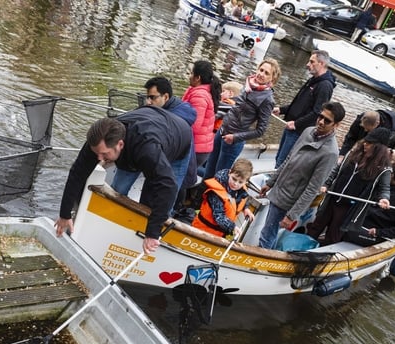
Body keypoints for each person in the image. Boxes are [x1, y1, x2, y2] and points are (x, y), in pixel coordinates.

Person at [55, 108, 192, 254]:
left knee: (153, 201)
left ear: (120, 144)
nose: (100, 159)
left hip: (178, 137)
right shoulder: (97, 141)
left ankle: (152, 241)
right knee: (118, 189)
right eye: (97, 153)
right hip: (144, 135)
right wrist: (65, 214)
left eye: (104, 154)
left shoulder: (146, 148)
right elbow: (77, 174)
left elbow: (167, 186)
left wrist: (152, 232)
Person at [257, 101, 346, 250]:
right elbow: (288, 159)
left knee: (268, 233)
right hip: (279, 188)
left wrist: (293, 215)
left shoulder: (330, 152)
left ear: (336, 125)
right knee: (269, 230)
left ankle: (260, 261)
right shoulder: (307, 131)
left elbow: (313, 189)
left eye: (327, 121)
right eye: (320, 117)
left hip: (289, 198)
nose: (321, 122)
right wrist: (271, 182)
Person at [111, 77, 196, 200]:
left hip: (171, 156)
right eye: (148, 97)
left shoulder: (179, 119)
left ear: (165, 97)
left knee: (155, 198)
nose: (148, 102)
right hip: (146, 149)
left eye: (152, 97)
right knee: (118, 188)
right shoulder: (150, 111)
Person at [306, 127, 392, 246]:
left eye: (369, 143)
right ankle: (305, 245)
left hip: (348, 207)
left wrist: (384, 198)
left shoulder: (384, 168)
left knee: (334, 234)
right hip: (333, 198)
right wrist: (326, 184)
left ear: (378, 148)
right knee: (316, 225)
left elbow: (385, 188)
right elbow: (336, 170)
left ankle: (323, 253)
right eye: (365, 141)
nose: (365, 144)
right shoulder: (353, 154)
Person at [203, 58, 279, 179]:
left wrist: (235, 137)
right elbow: (236, 106)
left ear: (272, 79)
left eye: (266, 73)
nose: (261, 74)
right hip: (222, 131)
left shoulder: (267, 100)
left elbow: (261, 130)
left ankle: (211, 197)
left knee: (218, 177)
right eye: (261, 70)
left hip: (233, 140)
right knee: (208, 171)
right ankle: (199, 198)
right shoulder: (248, 85)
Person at [273, 49, 336, 168]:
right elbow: (299, 104)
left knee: (283, 162)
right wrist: (282, 110)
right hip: (291, 127)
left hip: (299, 132)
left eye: (312, 62)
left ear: (321, 63)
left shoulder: (324, 86)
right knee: (279, 158)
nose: (308, 64)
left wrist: (296, 123)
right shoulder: (313, 80)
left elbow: (317, 112)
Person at [344, 158, 395, 246]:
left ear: (392, 175)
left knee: (346, 232)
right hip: (362, 219)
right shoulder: (381, 182)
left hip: (374, 230)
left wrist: (380, 232)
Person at [192, 158, 254, 238]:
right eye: (234, 179)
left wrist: (246, 208)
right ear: (229, 172)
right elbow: (219, 216)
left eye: (240, 182)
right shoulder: (216, 192)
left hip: (219, 234)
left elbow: (241, 199)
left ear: (246, 182)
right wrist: (233, 227)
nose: (235, 184)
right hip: (202, 232)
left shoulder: (240, 189)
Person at [182, 61, 221, 172]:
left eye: (191, 73)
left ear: (197, 78)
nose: (189, 76)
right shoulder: (199, 91)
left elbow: (194, 125)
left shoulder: (199, 96)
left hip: (196, 148)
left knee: (180, 180)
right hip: (200, 146)